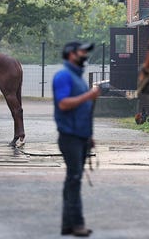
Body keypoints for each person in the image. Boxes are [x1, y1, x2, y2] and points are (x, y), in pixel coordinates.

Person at [52, 41, 100, 237]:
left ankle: (67, 225)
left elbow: (83, 111)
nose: (85, 55)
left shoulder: (77, 78)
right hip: (69, 137)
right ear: (71, 54)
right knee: (74, 179)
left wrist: (89, 136)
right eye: (82, 51)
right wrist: (89, 96)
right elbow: (63, 104)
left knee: (72, 180)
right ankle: (77, 224)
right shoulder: (64, 76)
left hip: (80, 137)